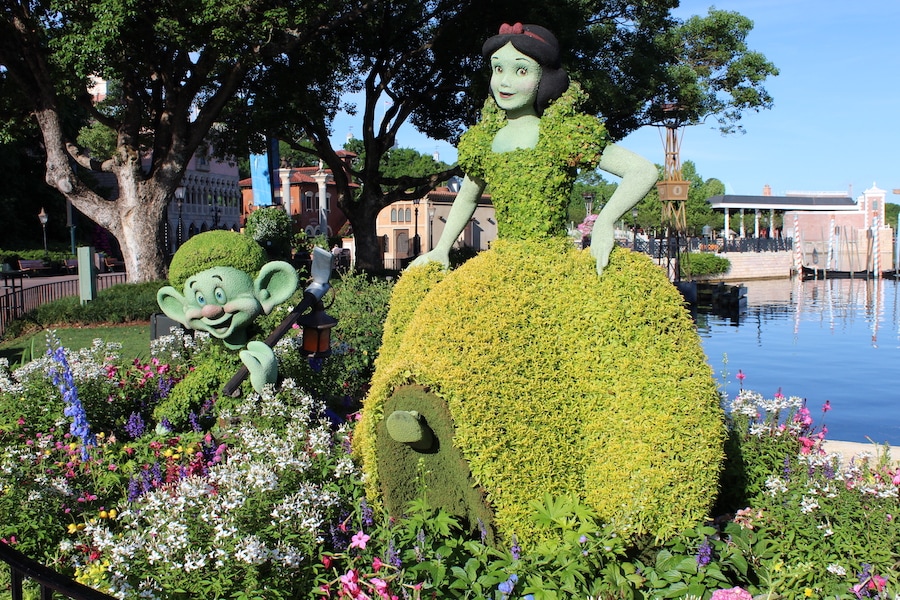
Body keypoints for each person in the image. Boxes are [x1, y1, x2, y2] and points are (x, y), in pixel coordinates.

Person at [412, 22, 657, 275]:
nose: (505, 82)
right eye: (498, 69)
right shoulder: (484, 141)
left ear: (544, 77)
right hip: (501, 265)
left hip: (553, 267)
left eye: (521, 71)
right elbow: (468, 196)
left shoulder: (562, 134)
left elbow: (642, 171)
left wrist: (605, 222)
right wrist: (442, 248)